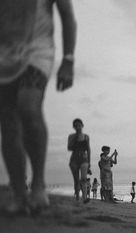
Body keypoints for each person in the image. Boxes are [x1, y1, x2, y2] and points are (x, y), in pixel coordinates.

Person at [0, 0, 77, 214]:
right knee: (7, 123)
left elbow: (67, 15)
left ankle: (38, 185)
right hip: (4, 55)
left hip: (37, 51)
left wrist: (68, 60)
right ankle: (18, 193)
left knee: (28, 107)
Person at [68, 118, 91, 203]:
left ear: (82, 125)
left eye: (79, 125)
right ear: (74, 127)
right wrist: (75, 138)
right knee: (76, 179)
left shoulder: (86, 136)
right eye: (76, 126)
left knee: (84, 179)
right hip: (74, 158)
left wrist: (89, 162)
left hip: (84, 158)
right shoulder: (71, 136)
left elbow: (88, 150)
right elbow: (69, 148)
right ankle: (77, 197)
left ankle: (84, 197)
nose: (78, 127)